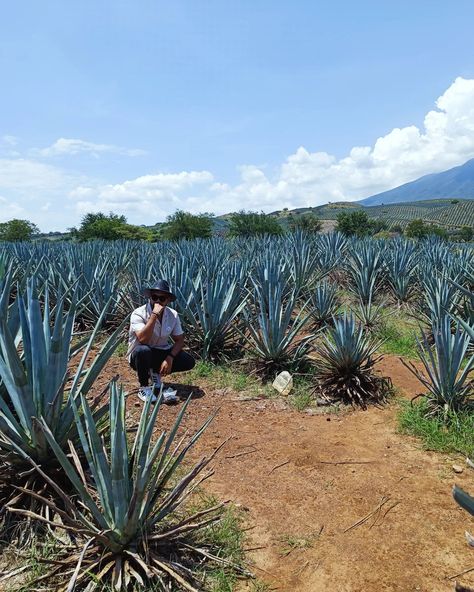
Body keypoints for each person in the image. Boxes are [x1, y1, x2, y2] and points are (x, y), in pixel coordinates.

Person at [127, 279, 195, 403]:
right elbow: (143, 339)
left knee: (188, 361)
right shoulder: (138, 313)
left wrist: (169, 358)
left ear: (168, 300)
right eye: (154, 297)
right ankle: (144, 387)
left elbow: (179, 340)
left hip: (160, 352)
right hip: (139, 355)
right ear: (150, 297)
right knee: (143, 350)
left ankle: (155, 372)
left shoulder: (172, 315)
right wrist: (154, 315)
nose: (157, 301)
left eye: (162, 298)